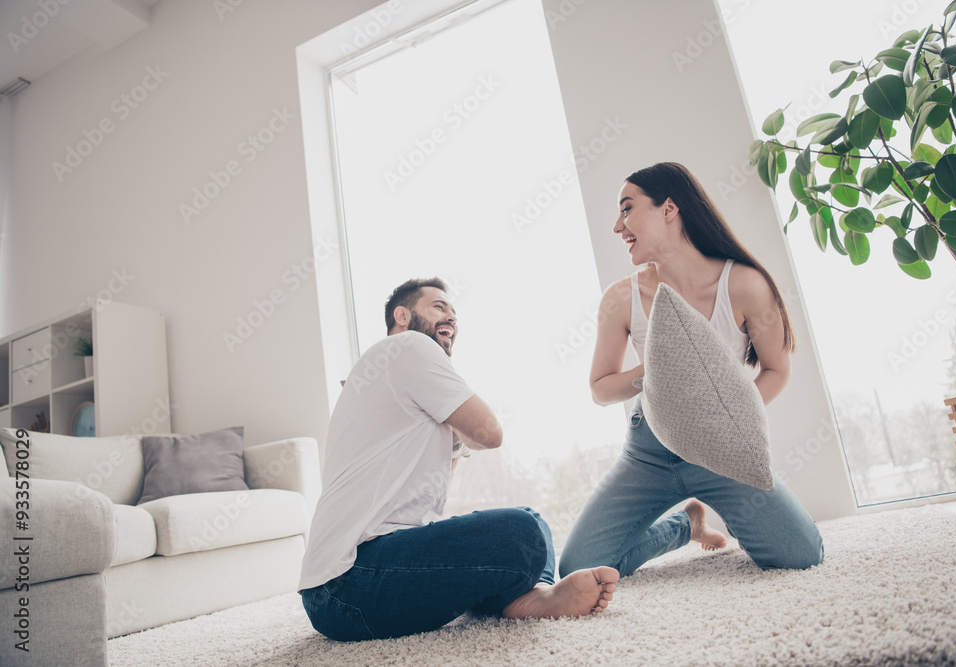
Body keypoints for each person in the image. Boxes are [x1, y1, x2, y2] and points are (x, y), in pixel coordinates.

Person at [300, 278, 619, 641]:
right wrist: (457, 429)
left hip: (346, 587)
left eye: (453, 310)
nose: (450, 314)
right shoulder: (408, 345)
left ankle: (532, 596)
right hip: (349, 583)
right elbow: (489, 433)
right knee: (522, 532)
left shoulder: (381, 376)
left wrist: (450, 435)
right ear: (401, 315)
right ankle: (518, 594)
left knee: (532, 518)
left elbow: (432, 505)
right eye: (438, 306)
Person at [559, 162, 824, 579]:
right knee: (577, 568)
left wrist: (729, 415)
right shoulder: (620, 297)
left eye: (627, 209)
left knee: (800, 555)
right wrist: (660, 368)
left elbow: (777, 369)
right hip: (647, 451)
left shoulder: (745, 285)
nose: (617, 226)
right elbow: (600, 388)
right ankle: (686, 525)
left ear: (669, 208)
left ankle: (729, 513)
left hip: (721, 448)